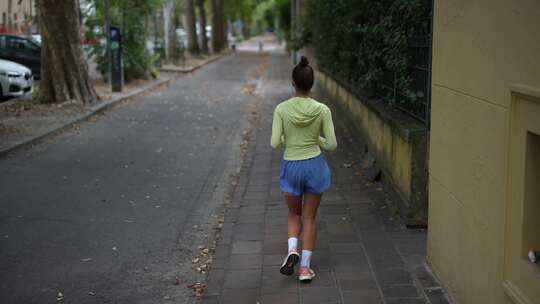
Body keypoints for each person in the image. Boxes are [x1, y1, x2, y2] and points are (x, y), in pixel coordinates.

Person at [270, 56, 337, 282]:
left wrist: (289, 140)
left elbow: (274, 143)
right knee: (309, 217)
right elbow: (332, 144)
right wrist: (315, 140)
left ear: (292, 83)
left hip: (291, 166)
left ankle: (291, 251)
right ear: (312, 84)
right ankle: (306, 269)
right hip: (315, 166)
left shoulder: (281, 109)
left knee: (293, 213)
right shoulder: (322, 110)